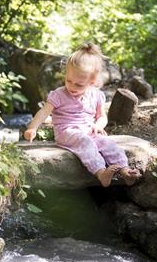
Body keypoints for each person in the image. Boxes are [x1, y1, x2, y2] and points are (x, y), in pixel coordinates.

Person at [24, 42, 141, 187]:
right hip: (67, 132)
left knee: (107, 143)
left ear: (92, 81)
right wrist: (32, 128)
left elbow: (102, 116)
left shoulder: (97, 95)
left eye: (78, 84)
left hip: (89, 130)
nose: (72, 86)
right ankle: (101, 173)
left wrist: (98, 125)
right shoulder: (59, 95)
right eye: (68, 80)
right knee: (84, 142)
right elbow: (43, 112)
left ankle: (125, 170)